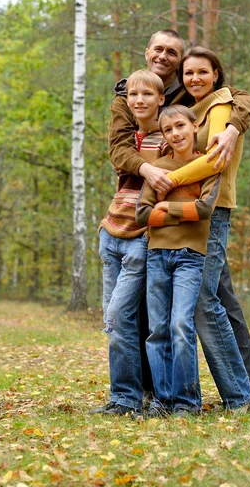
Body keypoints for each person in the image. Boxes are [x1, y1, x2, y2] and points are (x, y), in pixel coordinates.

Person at [109, 30, 250, 409]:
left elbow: (242, 99)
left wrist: (235, 127)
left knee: (212, 299)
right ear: (147, 52)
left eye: (174, 53)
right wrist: (151, 174)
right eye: (159, 50)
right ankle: (156, 392)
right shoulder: (130, 98)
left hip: (200, 210)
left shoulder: (199, 101)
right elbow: (118, 150)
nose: (165, 57)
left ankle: (247, 388)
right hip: (146, 215)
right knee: (159, 312)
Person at [136, 105, 248, 416]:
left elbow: (203, 210)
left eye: (180, 126)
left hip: (190, 258)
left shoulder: (208, 165)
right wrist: (178, 211)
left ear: (193, 125)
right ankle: (163, 400)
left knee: (180, 326)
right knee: (157, 330)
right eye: (168, 130)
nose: (176, 133)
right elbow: (142, 214)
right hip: (157, 255)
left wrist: (165, 208)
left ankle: (187, 402)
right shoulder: (158, 168)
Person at [93, 70, 165, 417]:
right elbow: (121, 169)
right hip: (112, 233)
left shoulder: (167, 139)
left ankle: (129, 398)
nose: (139, 100)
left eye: (147, 94)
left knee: (119, 316)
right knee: (115, 322)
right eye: (133, 95)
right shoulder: (126, 140)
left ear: (161, 100)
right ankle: (122, 396)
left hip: (139, 239)